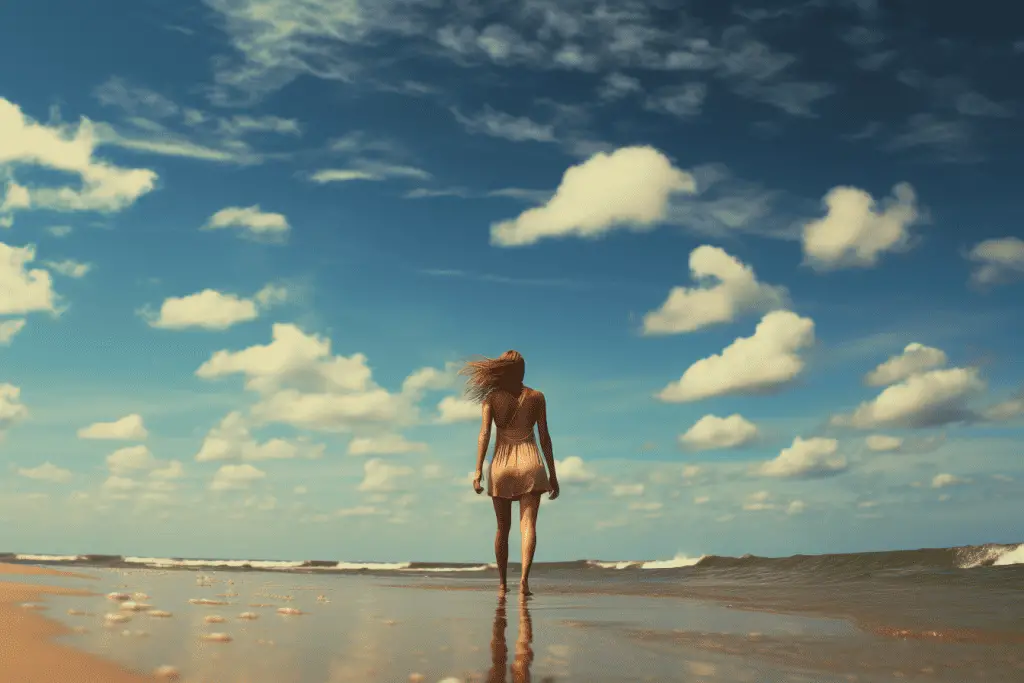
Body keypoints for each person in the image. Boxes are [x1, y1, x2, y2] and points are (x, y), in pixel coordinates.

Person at [460, 350, 559, 597]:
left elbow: (483, 434)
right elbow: (545, 437)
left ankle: (503, 584)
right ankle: (524, 581)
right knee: (529, 526)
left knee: (502, 528)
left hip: (501, 464)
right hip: (530, 462)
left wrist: (477, 471)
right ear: (522, 371)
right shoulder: (537, 397)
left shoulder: (492, 398)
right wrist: (552, 474)